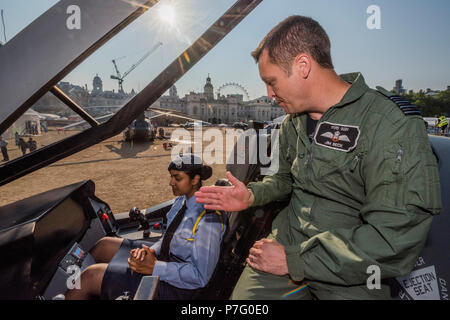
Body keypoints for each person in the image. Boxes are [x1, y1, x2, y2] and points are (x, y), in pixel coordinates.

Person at [195, 16, 442, 300]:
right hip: (286, 245)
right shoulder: (293, 122)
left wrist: (295, 260)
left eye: (271, 81)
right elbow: (284, 180)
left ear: (303, 66)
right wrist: (251, 196)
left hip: (353, 270)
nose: (269, 94)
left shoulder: (389, 125)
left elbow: (394, 238)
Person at [65, 153, 226, 300]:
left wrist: (154, 267)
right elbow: (168, 238)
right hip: (165, 258)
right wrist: (150, 251)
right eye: (171, 177)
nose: (171, 183)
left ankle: (86, 289)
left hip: (180, 288)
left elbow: (200, 277)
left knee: (90, 276)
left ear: (195, 180)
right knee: (103, 245)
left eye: (177, 178)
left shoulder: (209, 218)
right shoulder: (181, 202)